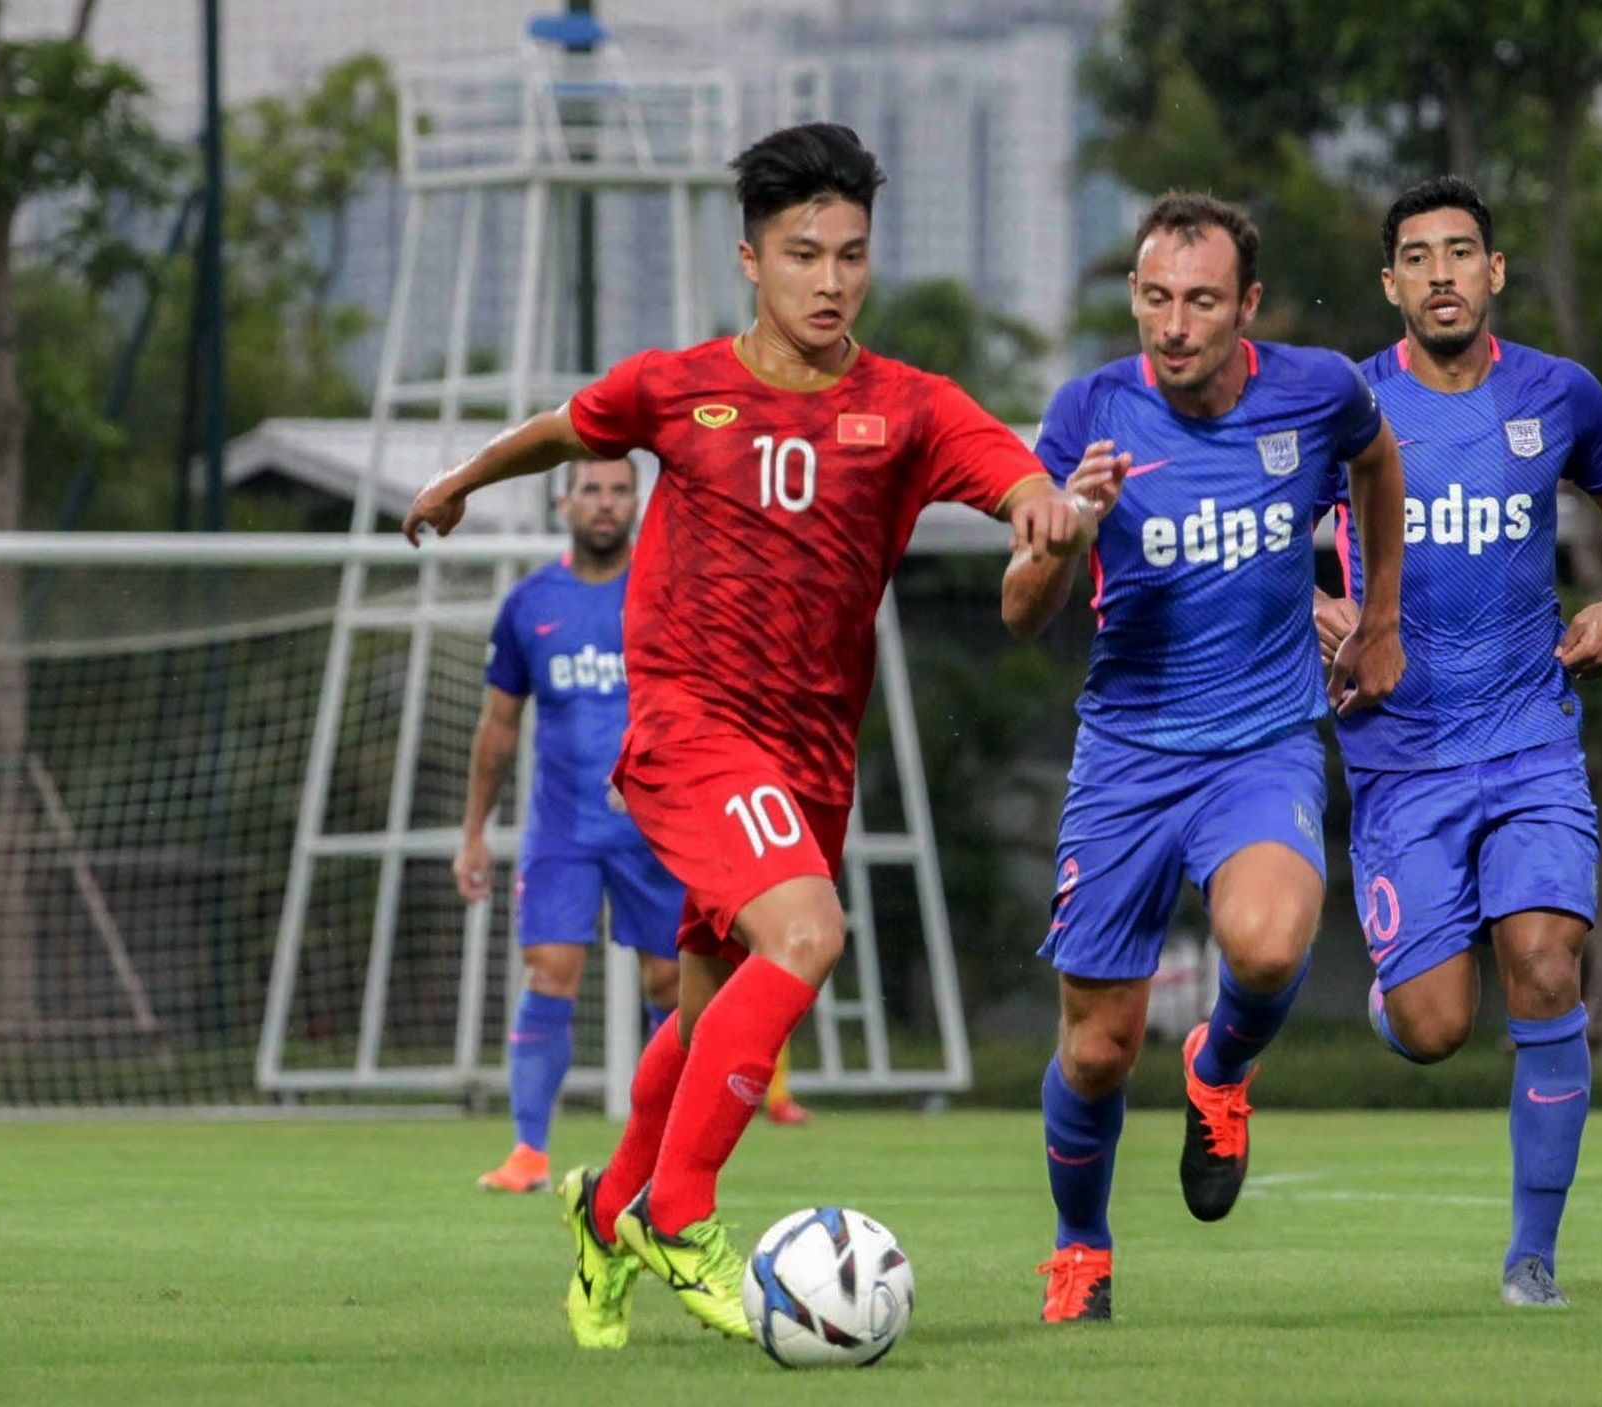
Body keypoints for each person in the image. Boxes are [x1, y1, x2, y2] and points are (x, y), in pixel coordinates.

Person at [401, 122, 1112, 1349]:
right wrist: (463, 478)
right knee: (807, 932)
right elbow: (571, 428)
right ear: (750, 261)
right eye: (802, 255)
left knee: (707, 1006)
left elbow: (1005, 472)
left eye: (849, 255)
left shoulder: (905, 407)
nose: (830, 281)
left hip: (809, 758)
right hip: (685, 724)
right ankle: (680, 1217)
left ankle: (607, 1206)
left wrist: (1046, 505)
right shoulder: (678, 388)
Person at [1007, 191, 1408, 1324]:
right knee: (1094, 1053)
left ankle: (1219, 1069)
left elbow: (1376, 467)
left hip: (1264, 746)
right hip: (1126, 760)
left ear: (1247, 307)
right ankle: (1079, 1249)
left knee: (1270, 947)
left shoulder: (1317, 390)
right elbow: (1018, 610)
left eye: (1198, 301)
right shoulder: (1086, 412)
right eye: (1152, 298)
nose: (1172, 324)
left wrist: (1377, 617)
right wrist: (1063, 532)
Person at [1316, 177, 1602, 1309]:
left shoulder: (1558, 394)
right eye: (1416, 258)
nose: (1441, 274)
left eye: (1461, 252)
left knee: (1547, 962)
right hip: (1399, 759)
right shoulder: (1347, 407)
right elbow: (1272, 542)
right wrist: (1323, 616)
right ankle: (1393, 997)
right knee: (1433, 1028)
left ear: (1494, 272)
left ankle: (1532, 1261)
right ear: (1389, 284)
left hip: (1527, 742)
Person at [459, 459, 688, 1195]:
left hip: (658, 827)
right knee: (550, 970)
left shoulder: (667, 595)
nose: (605, 502)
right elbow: (498, 727)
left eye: (620, 489)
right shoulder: (530, 603)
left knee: (672, 981)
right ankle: (528, 1150)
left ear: (635, 503)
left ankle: (662, 1152)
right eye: (591, 488)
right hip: (562, 829)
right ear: (563, 501)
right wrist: (473, 831)